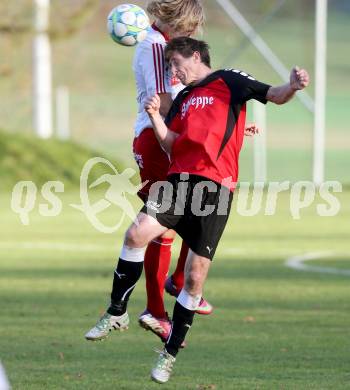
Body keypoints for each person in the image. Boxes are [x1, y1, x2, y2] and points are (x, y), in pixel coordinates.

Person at [86, 35, 309, 384]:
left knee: (194, 278)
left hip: (214, 190)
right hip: (177, 182)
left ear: (195, 55)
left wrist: (293, 86)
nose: (173, 72)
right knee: (136, 233)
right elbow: (172, 145)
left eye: (176, 63)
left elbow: (275, 95)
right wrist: (156, 118)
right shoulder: (183, 99)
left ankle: (169, 354)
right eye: (169, 66)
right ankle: (116, 312)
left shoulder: (228, 80)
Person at [85, 0, 212, 346]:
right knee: (170, 222)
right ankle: (156, 307)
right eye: (188, 28)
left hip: (159, 140)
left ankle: (164, 296)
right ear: (177, 21)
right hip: (156, 142)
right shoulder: (155, 46)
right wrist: (198, 133)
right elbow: (165, 103)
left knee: (189, 214)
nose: (190, 36)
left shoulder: (159, 43)